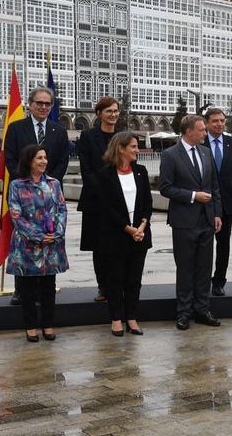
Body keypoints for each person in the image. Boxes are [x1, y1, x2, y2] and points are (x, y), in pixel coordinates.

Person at [3, 86, 70, 306]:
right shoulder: (15, 128)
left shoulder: (58, 131)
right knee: (24, 244)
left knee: (47, 243)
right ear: (30, 105)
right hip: (23, 195)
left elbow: (62, 161)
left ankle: (45, 289)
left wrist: (47, 183)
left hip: (50, 197)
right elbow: (11, 158)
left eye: (47, 104)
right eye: (39, 103)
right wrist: (26, 182)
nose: (43, 107)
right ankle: (20, 290)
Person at [159, 115, 223, 330]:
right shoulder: (170, 155)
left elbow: (214, 186)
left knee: (205, 268)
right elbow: (165, 188)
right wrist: (193, 195)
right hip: (184, 222)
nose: (206, 133)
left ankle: (203, 310)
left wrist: (216, 214)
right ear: (189, 131)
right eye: (202, 130)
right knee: (185, 268)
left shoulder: (206, 153)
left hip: (206, 220)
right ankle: (184, 313)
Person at [6, 144, 68, 342]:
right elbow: (16, 215)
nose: (44, 161)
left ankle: (48, 325)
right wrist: (38, 236)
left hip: (51, 246)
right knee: (27, 289)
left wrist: (57, 233)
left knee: (49, 288)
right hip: (26, 246)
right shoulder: (17, 185)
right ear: (29, 161)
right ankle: (31, 327)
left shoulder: (54, 184)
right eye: (39, 158)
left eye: (45, 158)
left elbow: (62, 209)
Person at [96, 132, 152, 336]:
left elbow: (147, 202)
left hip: (140, 235)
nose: (137, 150)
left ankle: (132, 317)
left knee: (134, 280)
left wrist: (142, 226)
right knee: (115, 279)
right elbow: (106, 207)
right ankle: (117, 318)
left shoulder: (141, 171)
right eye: (134, 147)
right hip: (115, 236)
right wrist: (127, 228)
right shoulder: (105, 174)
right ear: (121, 148)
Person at [77, 96, 120, 302]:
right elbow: (87, 170)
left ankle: (116, 285)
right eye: (109, 111)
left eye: (115, 111)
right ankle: (103, 286)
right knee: (99, 246)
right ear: (99, 114)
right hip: (95, 200)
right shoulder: (87, 136)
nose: (113, 115)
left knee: (117, 245)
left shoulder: (122, 137)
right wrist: (106, 192)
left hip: (120, 201)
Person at [202, 107, 232, 297]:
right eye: (215, 121)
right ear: (207, 123)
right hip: (203, 203)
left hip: (227, 204)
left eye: (222, 121)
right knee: (203, 245)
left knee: (223, 245)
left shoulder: (231, 143)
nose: (219, 124)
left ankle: (219, 281)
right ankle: (201, 281)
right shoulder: (199, 142)